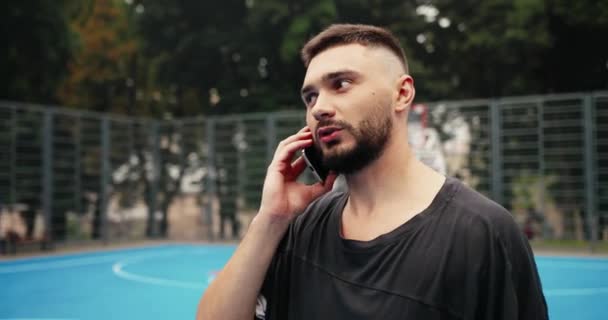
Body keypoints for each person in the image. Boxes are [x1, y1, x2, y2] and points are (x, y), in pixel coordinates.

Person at [197, 24, 548, 320]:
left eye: (341, 84)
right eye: (310, 97)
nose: (319, 108)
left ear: (402, 93)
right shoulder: (301, 225)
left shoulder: (483, 234)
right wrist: (271, 218)